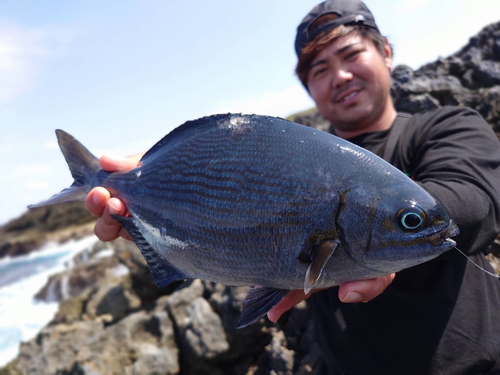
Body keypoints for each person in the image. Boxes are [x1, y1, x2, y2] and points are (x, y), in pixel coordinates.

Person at [86, 1, 500, 373]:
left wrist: (408, 227)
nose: (339, 75)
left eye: (352, 54)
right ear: (308, 88)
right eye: (319, 70)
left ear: (386, 53)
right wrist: (154, 218)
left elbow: (474, 198)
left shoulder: (449, 126)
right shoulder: (294, 154)